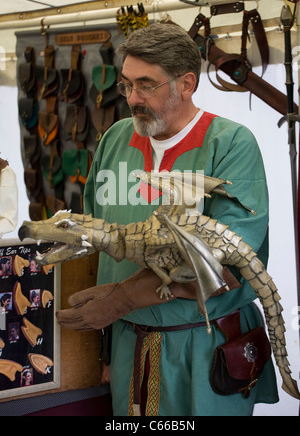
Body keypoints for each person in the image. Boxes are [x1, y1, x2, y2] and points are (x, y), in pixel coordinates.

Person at [57, 22, 278, 416]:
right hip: (128, 344)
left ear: (187, 83)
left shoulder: (229, 143)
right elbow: (94, 235)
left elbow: (223, 257)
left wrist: (123, 298)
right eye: (126, 85)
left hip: (203, 345)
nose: (133, 98)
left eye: (147, 85)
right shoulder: (115, 139)